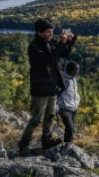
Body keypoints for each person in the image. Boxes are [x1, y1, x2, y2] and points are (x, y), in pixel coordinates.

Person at [18, 18, 76, 155]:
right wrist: (61, 43)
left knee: (50, 115)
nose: (51, 34)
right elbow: (51, 59)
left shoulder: (48, 42)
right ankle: (23, 144)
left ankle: (47, 138)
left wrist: (69, 41)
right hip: (40, 88)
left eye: (52, 32)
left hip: (52, 86)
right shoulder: (34, 48)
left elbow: (63, 53)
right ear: (39, 32)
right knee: (36, 119)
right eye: (48, 32)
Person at [57, 61, 80, 143]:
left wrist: (77, 102)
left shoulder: (73, 79)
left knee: (71, 128)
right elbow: (57, 93)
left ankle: (69, 145)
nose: (78, 72)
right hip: (64, 108)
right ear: (73, 70)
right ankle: (67, 146)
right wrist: (57, 106)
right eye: (77, 70)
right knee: (69, 127)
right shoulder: (64, 79)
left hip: (73, 108)